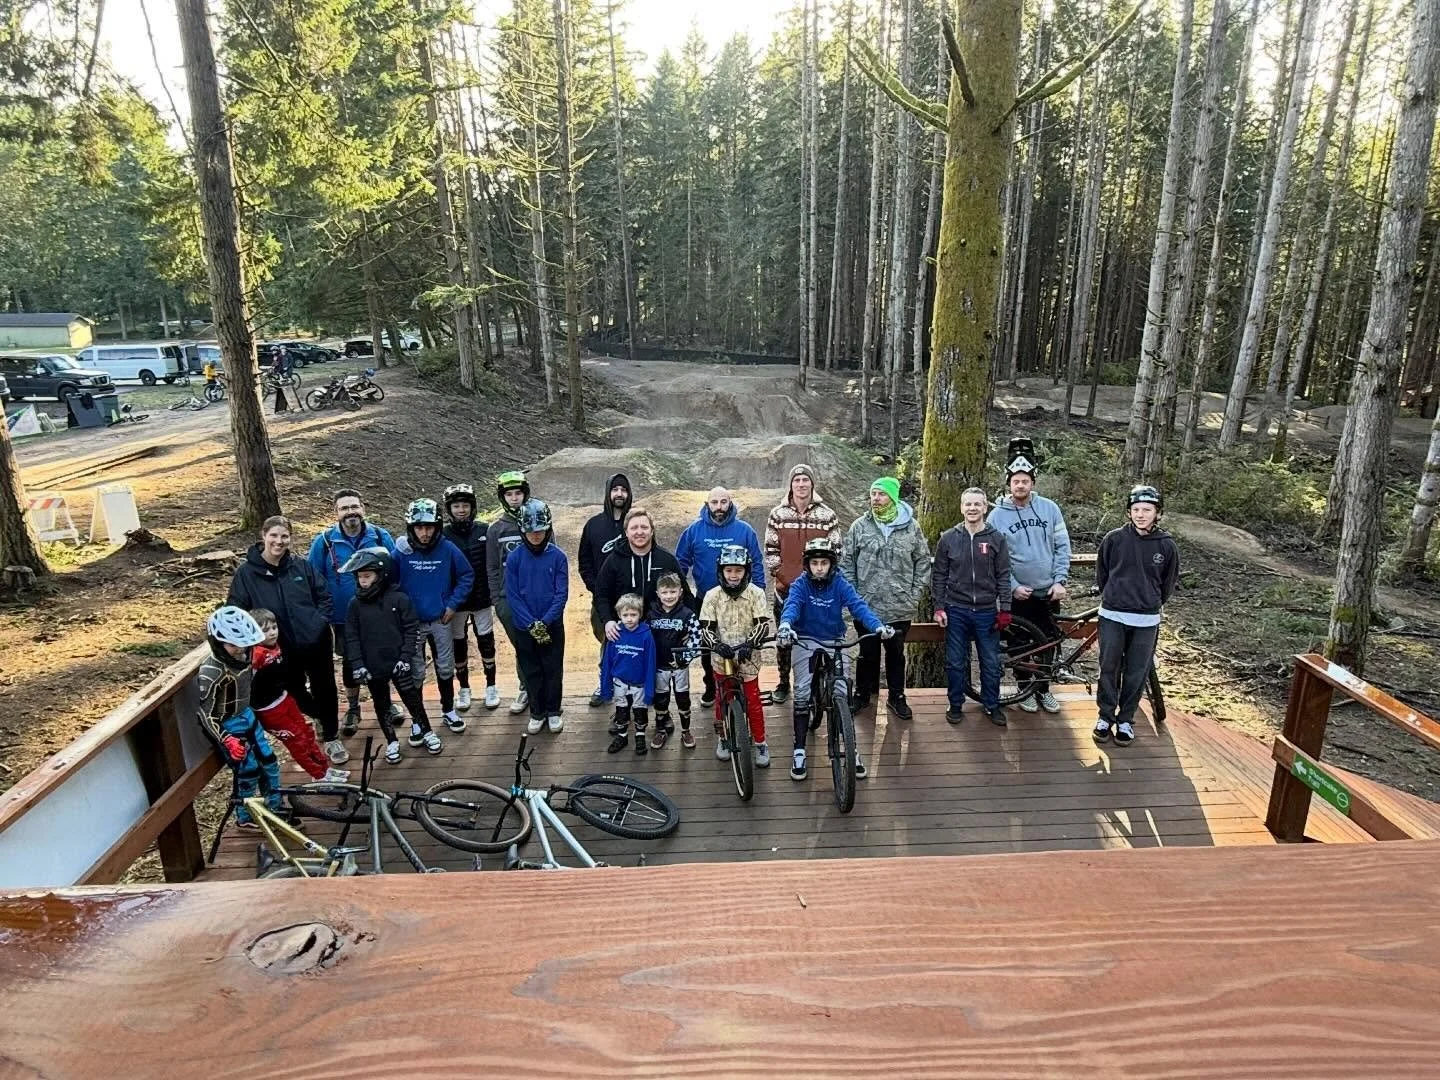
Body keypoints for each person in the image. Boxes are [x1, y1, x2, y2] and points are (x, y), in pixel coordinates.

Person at [227, 515, 348, 766]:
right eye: (274, 535)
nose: (279, 541)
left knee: (325, 687)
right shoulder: (247, 573)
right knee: (293, 690)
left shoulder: (300, 566)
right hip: (278, 648)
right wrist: (254, 640)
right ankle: (317, 716)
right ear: (263, 536)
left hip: (315, 641)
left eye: (284, 536)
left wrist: (319, 621)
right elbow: (236, 609)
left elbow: (323, 595)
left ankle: (331, 735)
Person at [776, 538, 892, 782]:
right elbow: (792, 606)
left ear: (832, 564)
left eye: (824, 563)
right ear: (808, 565)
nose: (820, 568)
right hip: (805, 639)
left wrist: (878, 626)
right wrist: (786, 625)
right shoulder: (800, 585)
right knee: (803, 691)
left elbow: (858, 606)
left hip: (835, 639)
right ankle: (799, 750)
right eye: (815, 563)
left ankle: (851, 747)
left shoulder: (840, 584)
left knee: (842, 690)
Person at [987, 438, 1072, 714]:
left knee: (1048, 642)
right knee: (1018, 644)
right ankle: (1025, 690)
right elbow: (994, 558)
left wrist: (1060, 580)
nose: (1020, 485)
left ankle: (1044, 690)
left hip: (1047, 591)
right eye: (1016, 481)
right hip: (1018, 594)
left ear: (1032, 482)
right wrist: (1011, 586)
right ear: (1009, 483)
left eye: (1025, 480)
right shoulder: (997, 516)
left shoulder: (1050, 509)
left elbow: (1062, 546)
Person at [1094, 485, 1179, 747]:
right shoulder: (1114, 539)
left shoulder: (1166, 546)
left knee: (1136, 672)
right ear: (1129, 512)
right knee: (1109, 667)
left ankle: (1126, 720)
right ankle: (1105, 716)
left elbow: (1168, 583)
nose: (1141, 515)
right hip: (1112, 615)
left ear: (1157, 513)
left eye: (1147, 510)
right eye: (1136, 510)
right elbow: (1102, 572)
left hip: (1145, 620)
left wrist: (1150, 603)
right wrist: (1113, 595)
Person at [307, 489, 397, 737]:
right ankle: (354, 708)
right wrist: (320, 614)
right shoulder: (324, 542)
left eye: (354, 507)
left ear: (363, 509)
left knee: (381, 657)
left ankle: (386, 703)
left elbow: (393, 570)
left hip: (378, 613)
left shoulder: (379, 536)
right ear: (336, 513)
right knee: (350, 662)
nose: (350, 512)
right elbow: (313, 578)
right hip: (342, 618)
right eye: (344, 508)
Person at [840, 477, 931, 721]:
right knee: (866, 654)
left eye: (881, 494)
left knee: (896, 654)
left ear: (893, 496)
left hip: (899, 606)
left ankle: (897, 697)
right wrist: (854, 597)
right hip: (866, 606)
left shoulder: (911, 527)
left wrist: (913, 596)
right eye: (873, 494)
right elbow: (847, 563)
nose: (876, 498)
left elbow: (923, 562)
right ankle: (862, 695)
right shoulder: (860, 526)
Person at [340, 547, 442, 762]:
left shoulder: (399, 599)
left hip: (398, 662)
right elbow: (351, 637)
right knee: (381, 703)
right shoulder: (354, 605)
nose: (363, 582)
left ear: (381, 575)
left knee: (412, 699)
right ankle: (392, 741)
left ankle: (427, 731)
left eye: (367, 576)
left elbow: (411, 629)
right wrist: (358, 664)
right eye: (359, 577)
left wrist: (405, 657)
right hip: (372, 666)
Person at [678, 487, 766, 709]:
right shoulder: (694, 531)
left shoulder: (745, 530)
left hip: (742, 599)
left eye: (723, 502)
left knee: (745, 641)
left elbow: (756, 562)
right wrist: (684, 596)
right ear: (707, 504)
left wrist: (760, 593)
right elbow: (680, 563)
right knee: (710, 646)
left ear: (730, 503)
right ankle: (712, 686)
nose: (719, 507)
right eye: (714, 502)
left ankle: (745, 685)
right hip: (707, 601)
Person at [195, 606, 281, 829]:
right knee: (247, 770)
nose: (240, 650)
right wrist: (226, 739)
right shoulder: (212, 672)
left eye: (244, 644)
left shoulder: (248, 654)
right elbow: (205, 713)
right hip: (228, 724)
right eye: (233, 645)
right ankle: (245, 815)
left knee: (269, 761)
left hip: (248, 716)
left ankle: (275, 804)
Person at [932, 488, 1012, 728]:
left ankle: (991, 704)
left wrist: (1005, 608)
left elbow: (1004, 575)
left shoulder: (996, 538)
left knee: (990, 661)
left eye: (977, 504)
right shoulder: (948, 538)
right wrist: (938, 607)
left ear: (985, 507)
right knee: (955, 661)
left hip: (987, 610)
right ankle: (955, 704)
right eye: (968, 504)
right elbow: (939, 575)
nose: (972, 508)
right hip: (956, 609)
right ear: (961, 507)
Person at [763, 464, 841, 706]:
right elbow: (770, 551)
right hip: (786, 590)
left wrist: (821, 580)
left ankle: (820, 682)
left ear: (812, 484)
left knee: (818, 636)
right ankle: (784, 682)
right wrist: (784, 576)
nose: (801, 484)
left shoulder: (827, 515)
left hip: (818, 590)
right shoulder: (778, 514)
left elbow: (837, 551)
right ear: (791, 484)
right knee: (785, 638)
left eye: (805, 480)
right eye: (796, 480)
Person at [394, 497, 473, 735]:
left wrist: (452, 605)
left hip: (441, 618)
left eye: (429, 527)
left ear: (437, 527)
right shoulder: (401, 552)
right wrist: (400, 611)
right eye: (419, 527)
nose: (425, 533)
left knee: (445, 666)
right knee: (416, 670)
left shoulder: (447, 548)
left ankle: (448, 709)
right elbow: (388, 581)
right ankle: (418, 720)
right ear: (411, 528)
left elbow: (466, 575)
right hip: (412, 624)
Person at [248, 608, 347, 783]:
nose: (272, 633)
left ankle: (324, 769)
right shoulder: (254, 656)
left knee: (306, 733)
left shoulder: (278, 646)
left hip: (285, 699)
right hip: (268, 710)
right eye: (265, 630)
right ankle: (318, 776)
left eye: (273, 627)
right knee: (297, 742)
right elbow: (244, 683)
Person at [698, 544, 773, 767]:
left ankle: (760, 742)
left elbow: (763, 624)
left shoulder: (756, 594)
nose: (733, 575)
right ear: (721, 571)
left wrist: (751, 643)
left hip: (748, 656)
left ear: (746, 571)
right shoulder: (712, 596)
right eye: (729, 570)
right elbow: (705, 628)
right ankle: (722, 738)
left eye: (738, 571)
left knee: (753, 700)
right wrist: (716, 644)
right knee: (721, 700)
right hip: (722, 658)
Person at [504, 499, 569, 735]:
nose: (535, 535)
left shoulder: (558, 556)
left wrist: (545, 622)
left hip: (551, 625)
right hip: (524, 627)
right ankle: (537, 712)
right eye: (530, 530)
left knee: (552, 668)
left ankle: (553, 711)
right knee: (531, 670)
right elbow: (512, 596)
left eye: (540, 530)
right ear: (522, 530)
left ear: (548, 528)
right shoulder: (514, 558)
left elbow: (561, 594)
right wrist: (532, 623)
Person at [442, 483, 500, 712]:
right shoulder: (443, 535)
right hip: (456, 600)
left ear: (472, 507)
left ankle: (491, 686)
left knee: (486, 641)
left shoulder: (485, 530)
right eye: (456, 506)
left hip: (482, 597)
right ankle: (464, 688)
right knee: (458, 644)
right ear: (449, 509)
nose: (461, 510)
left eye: (465, 505)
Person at [579, 473, 633, 708]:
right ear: (608, 493)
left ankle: (632, 685)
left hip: (632, 601)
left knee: (632, 643)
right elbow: (584, 563)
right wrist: (596, 588)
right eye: (615, 490)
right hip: (602, 600)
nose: (619, 494)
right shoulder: (593, 525)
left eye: (623, 490)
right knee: (607, 642)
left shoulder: (636, 523)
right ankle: (605, 682)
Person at [595, 507, 689, 639]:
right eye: (634, 528)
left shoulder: (667, 560)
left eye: (644, 527)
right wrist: (608, 621)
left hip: (661, 632)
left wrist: (690, 626)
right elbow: (601, 595)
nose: (639, 532)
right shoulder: (613, 561)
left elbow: (685, 594)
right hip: (622, 630)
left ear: (652, 531)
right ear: (626, 532)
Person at [487, 470, 533, 716]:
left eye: (518, 493)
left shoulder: (537, 521)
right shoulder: (496, 530)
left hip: (535, 598)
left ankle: (544, 688)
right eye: (510, 494)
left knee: (542, 645)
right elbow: (492, 567)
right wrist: (497, 599)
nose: (514, 498)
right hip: (508, 600)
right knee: (522, 645)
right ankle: (526, 686)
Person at [647, 572, 700, 750]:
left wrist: (685, 657)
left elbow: (696, 637)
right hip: (659, 665)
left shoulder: (687, 615)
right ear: (658, 593)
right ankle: (660, 730)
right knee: (661, 699)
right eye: (665, 592)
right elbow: (644, 636)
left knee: (683, 699)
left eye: (672, 592)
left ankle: (686, 730)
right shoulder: (651, 613)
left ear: (680, 592)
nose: (669, 596)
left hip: (680, 667)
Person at [601, 593, 658, 755]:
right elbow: (607, 662)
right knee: (621, 711)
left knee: (640, 711)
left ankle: (640, 736)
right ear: (619, 615)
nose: (629, 619)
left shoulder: (646, 635)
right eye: (625, 615)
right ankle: (622, 735)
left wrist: (649, 691)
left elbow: (650, 664)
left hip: (639, 684)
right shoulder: (615, 634)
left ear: (640, 614)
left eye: (633, 615)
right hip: (620, 682)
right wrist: (605, 686)